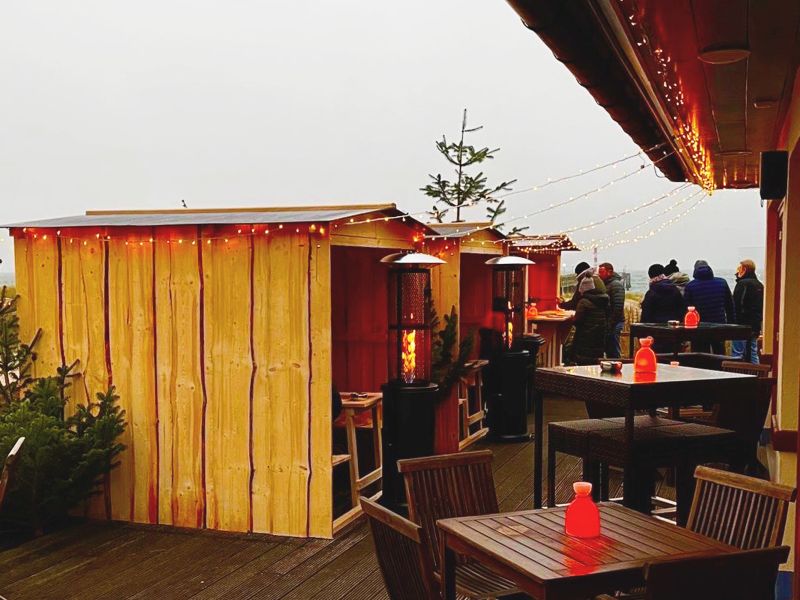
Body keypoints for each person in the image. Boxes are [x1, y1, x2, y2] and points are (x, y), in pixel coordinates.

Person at [684, 259, 735, 354]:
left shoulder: (690, 286)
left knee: (700, 355)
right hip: (719, 325)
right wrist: (731, 324)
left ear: (695, 270)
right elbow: (730, 306)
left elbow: (686, 309)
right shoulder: (722, 282)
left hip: (699, 327)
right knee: (719, 354)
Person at [566, 270, 609, 365]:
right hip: (599, 336)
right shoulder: (603, 300)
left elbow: (577, 321)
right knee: (594, 361)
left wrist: (572, 318)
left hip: (585, 337)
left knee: (583, 361)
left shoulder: (584, 302)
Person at [732, 259, 764, 363]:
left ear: (744, 269)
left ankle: (736, 372)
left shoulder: (742, 284)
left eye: (739, 268)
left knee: (737, 353)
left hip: (741, 324)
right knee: (753, 352)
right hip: (755, 324)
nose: (737, 271)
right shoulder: (759, 285)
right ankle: (756, 371)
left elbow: (736, 304)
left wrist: (733, 321)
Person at [598, 262, 625, 358]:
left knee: (613, 347)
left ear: (609, 272)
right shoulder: (607, 284)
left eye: (601, 272)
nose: (599, 274)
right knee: (610, 347)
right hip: (610, 321)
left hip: (615, 322)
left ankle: (617, 363)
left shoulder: (615, 285)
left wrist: (611, 323)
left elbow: (618, 306)